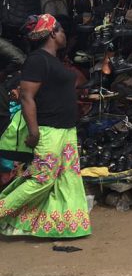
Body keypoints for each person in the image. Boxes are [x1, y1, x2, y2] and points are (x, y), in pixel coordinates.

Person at [0, 14, 91, 238]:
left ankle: (65, 227)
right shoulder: (37, 60)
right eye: (61, 31)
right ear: (53, 33)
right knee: (42, 179)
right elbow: (27, 97)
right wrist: (34, 131)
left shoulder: (53, 60)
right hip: (49, 130)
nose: (64, 36)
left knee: (67, 178)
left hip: (66, 130)